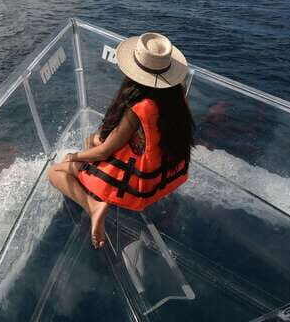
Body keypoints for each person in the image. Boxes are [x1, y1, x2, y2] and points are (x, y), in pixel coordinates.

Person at [48, 32, 195, 249]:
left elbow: (104, 152)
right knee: (91, 139)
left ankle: (93, 205)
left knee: (56, 172)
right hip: (164, 173)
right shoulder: (177, 98)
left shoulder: (139, 109)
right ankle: (91, 184)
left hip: (138, 183)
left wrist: (74, 156)